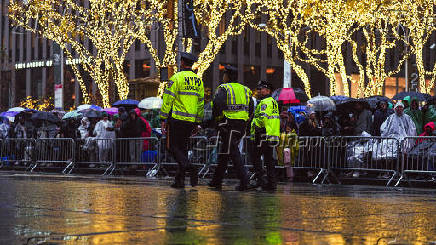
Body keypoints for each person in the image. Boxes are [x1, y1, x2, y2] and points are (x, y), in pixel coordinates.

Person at [160, 52, 204, 188]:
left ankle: (190, 167)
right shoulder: (199, 81)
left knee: (172, 147)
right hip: (190, 121)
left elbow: (168, 99)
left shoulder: (176, 78)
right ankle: (179, 181)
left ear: (183, 63)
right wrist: (198, 122)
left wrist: (163, 118)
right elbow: (200, 103)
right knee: (183, 149)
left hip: (177, 119)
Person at [208, 65, 253, 191]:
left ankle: (245, 181)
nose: (223, 77)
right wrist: (246, 121)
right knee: (225, 152)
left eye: (224, 75)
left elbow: (217, 104)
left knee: (233, 152)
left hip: (228, 124)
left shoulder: (224, 88)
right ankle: (216, 181)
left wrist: (218, 121)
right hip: (241, 125)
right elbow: (251, 107)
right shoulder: (246, 90)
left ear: (227, 76)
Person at [250, 81, 280, 191]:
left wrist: (257, 129)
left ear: (268, 90)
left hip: (262, 134)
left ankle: (261, 181)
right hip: (270, 134)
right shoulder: (273, 102)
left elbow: (262, 118)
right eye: (258, 88)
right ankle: (271, 183)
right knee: (268, 160)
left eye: (261, 88)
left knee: (255, 158)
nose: (259, 90)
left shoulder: (265, 102)